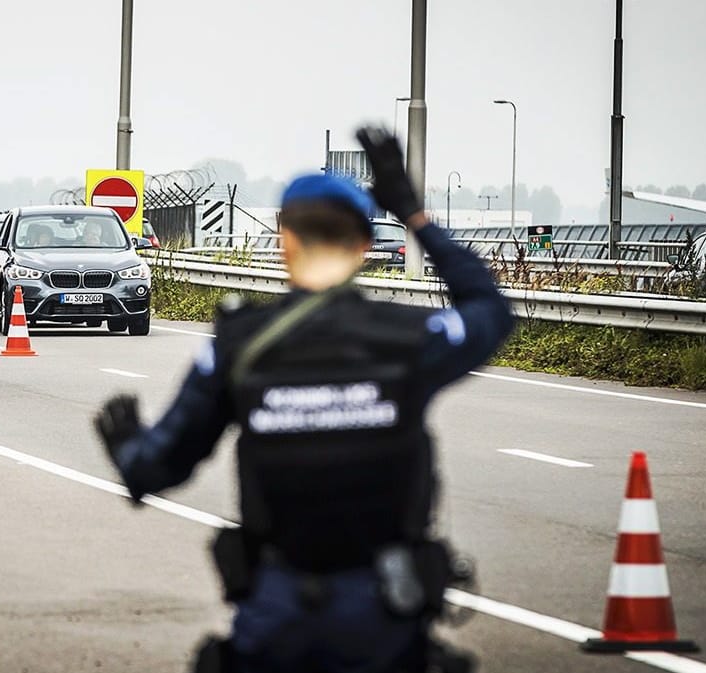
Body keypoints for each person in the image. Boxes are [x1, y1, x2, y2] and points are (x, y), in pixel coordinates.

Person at [93, 127, 513, 673]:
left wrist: (127, 446)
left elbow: (156, 468)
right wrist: (413, 212)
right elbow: (491, 309)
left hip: (277, 614)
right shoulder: (409, 338)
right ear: (365, 246)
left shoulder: (240, 347)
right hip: (383, 616)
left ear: (282, 238)